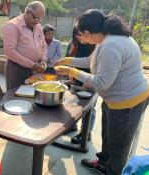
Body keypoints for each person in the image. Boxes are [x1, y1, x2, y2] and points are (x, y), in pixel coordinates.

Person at [55, 9, 149, 175]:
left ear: (88, 33)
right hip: (116, 98)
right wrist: (68, 61)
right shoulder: (105, 39)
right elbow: (90, 61)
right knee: (108, 135)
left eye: (81, 35)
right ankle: (103, 163)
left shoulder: (110, 46)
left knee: (118, 145)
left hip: (128, 101)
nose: (80, 39)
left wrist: (74, 72)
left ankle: (113, 171)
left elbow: (102, 83)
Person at [2, 1, 47, 90]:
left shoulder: (38, 27)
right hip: (17, 69)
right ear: (27, 12)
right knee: (15, 97)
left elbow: (43, 45)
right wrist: (32, 65)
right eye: (35, 18)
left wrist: (43, 60)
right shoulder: (12, 26)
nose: (37, 21)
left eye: (40, 19)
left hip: (34, 69)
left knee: (31, 96)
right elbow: (10, 52)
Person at [65, 26, 96, 144]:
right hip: (76, 78)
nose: (79, 38)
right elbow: (69, 59)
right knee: (73, 104)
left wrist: (87, 82)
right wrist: (70, 72)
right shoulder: (72, 43)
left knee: (89, 108)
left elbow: (93, 66)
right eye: (76, 35)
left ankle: (86, 132)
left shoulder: (94, 45)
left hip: (90, 80)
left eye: (81, 34)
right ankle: (72, 126)